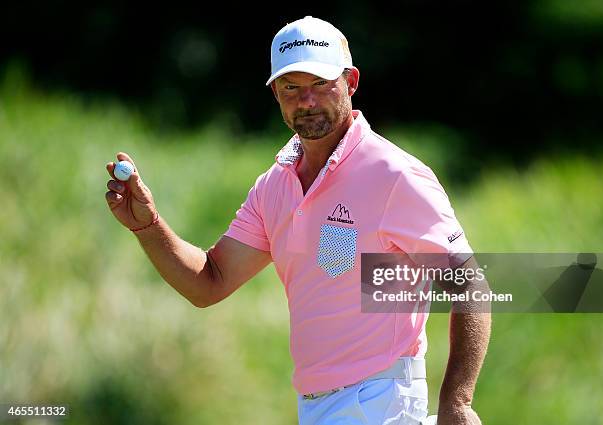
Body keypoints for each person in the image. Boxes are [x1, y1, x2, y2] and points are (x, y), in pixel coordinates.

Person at [105, 15, 491, 425]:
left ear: (351, 82)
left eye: (320, 84)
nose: (306, 100)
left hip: (379, 400)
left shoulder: (394, 175)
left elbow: (471, 284)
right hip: (316, 405)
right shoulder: (274, 185)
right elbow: (209, 282)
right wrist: (148, 227)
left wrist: (457, 403)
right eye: (291, 87)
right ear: (275, 93)